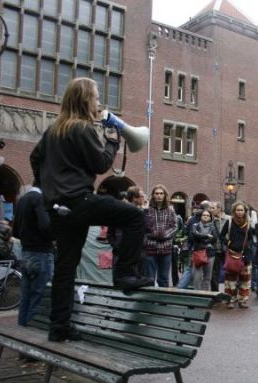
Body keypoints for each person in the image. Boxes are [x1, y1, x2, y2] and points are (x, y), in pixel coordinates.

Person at [30, 77, 151, 342]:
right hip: (78, 201)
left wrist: (47, 187)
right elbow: (100, 164)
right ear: (85, 99)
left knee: (65, 268)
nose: (98, 102)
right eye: (95, 97)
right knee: (133, 216)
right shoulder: (81, 128)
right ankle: (125, 274)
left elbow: (34, 158)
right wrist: (112, 141)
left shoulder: (54, 130)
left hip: (57, 207)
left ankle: (59, 327)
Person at [12, 186, 54, 327]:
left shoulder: (22, 200)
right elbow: (46, 226)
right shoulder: (39, 199)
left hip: (26, 254)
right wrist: (53, 236)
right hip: (41, 253)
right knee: (39, 296)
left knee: (26, 296)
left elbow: (15, 232)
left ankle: (21, 330)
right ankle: (31, 333)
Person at [220, 201, 253, 308]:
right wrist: (229, 243)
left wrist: (248, 246)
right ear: (234, 211)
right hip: (232, 254)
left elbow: (251, 238)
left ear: (245, 211)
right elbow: (221, 236)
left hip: (245, 255)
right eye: (237, 210)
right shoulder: (229, 222)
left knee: (245, 279)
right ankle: (231, 300)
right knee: (230, 280)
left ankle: (243, 300)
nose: (239, 212)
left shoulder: (248, 223)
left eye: (242, 210)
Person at [143, 184, 177, 287]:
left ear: (165, 195)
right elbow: (143, 226)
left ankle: (163, 302)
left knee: (163, 279)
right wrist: (154, 234)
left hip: (166, 247)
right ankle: (150, 301)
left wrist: (164, 235)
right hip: (150, 247)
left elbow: (174, 226)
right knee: (149, 278)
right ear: (153, 195)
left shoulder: (170, 209)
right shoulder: (147, 209)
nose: (159, 196)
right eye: (156, 193)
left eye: (161, 193)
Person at [185, 209, 217, 291]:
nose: (206, 216)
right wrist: (206, 236)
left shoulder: (213, 226)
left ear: (210, 217)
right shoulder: (195, 226)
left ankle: (206, 296)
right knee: (197, 277)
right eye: (204, 215)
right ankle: (197, 296)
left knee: (207, 278)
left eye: (207, 215)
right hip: (198, 253)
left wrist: (201, 238)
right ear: (200, 217)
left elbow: (214, 239)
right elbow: (193, 237)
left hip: (210, 254)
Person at [210, 202, 228, 292]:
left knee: (229, 270)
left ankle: (230, 292)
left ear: (219, 209)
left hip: (227, 249)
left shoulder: (229, 219)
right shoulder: (211, 220)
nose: (211, 210)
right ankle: (215, 293)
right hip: (215, 249)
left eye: (213, 208)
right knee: (214, 272)